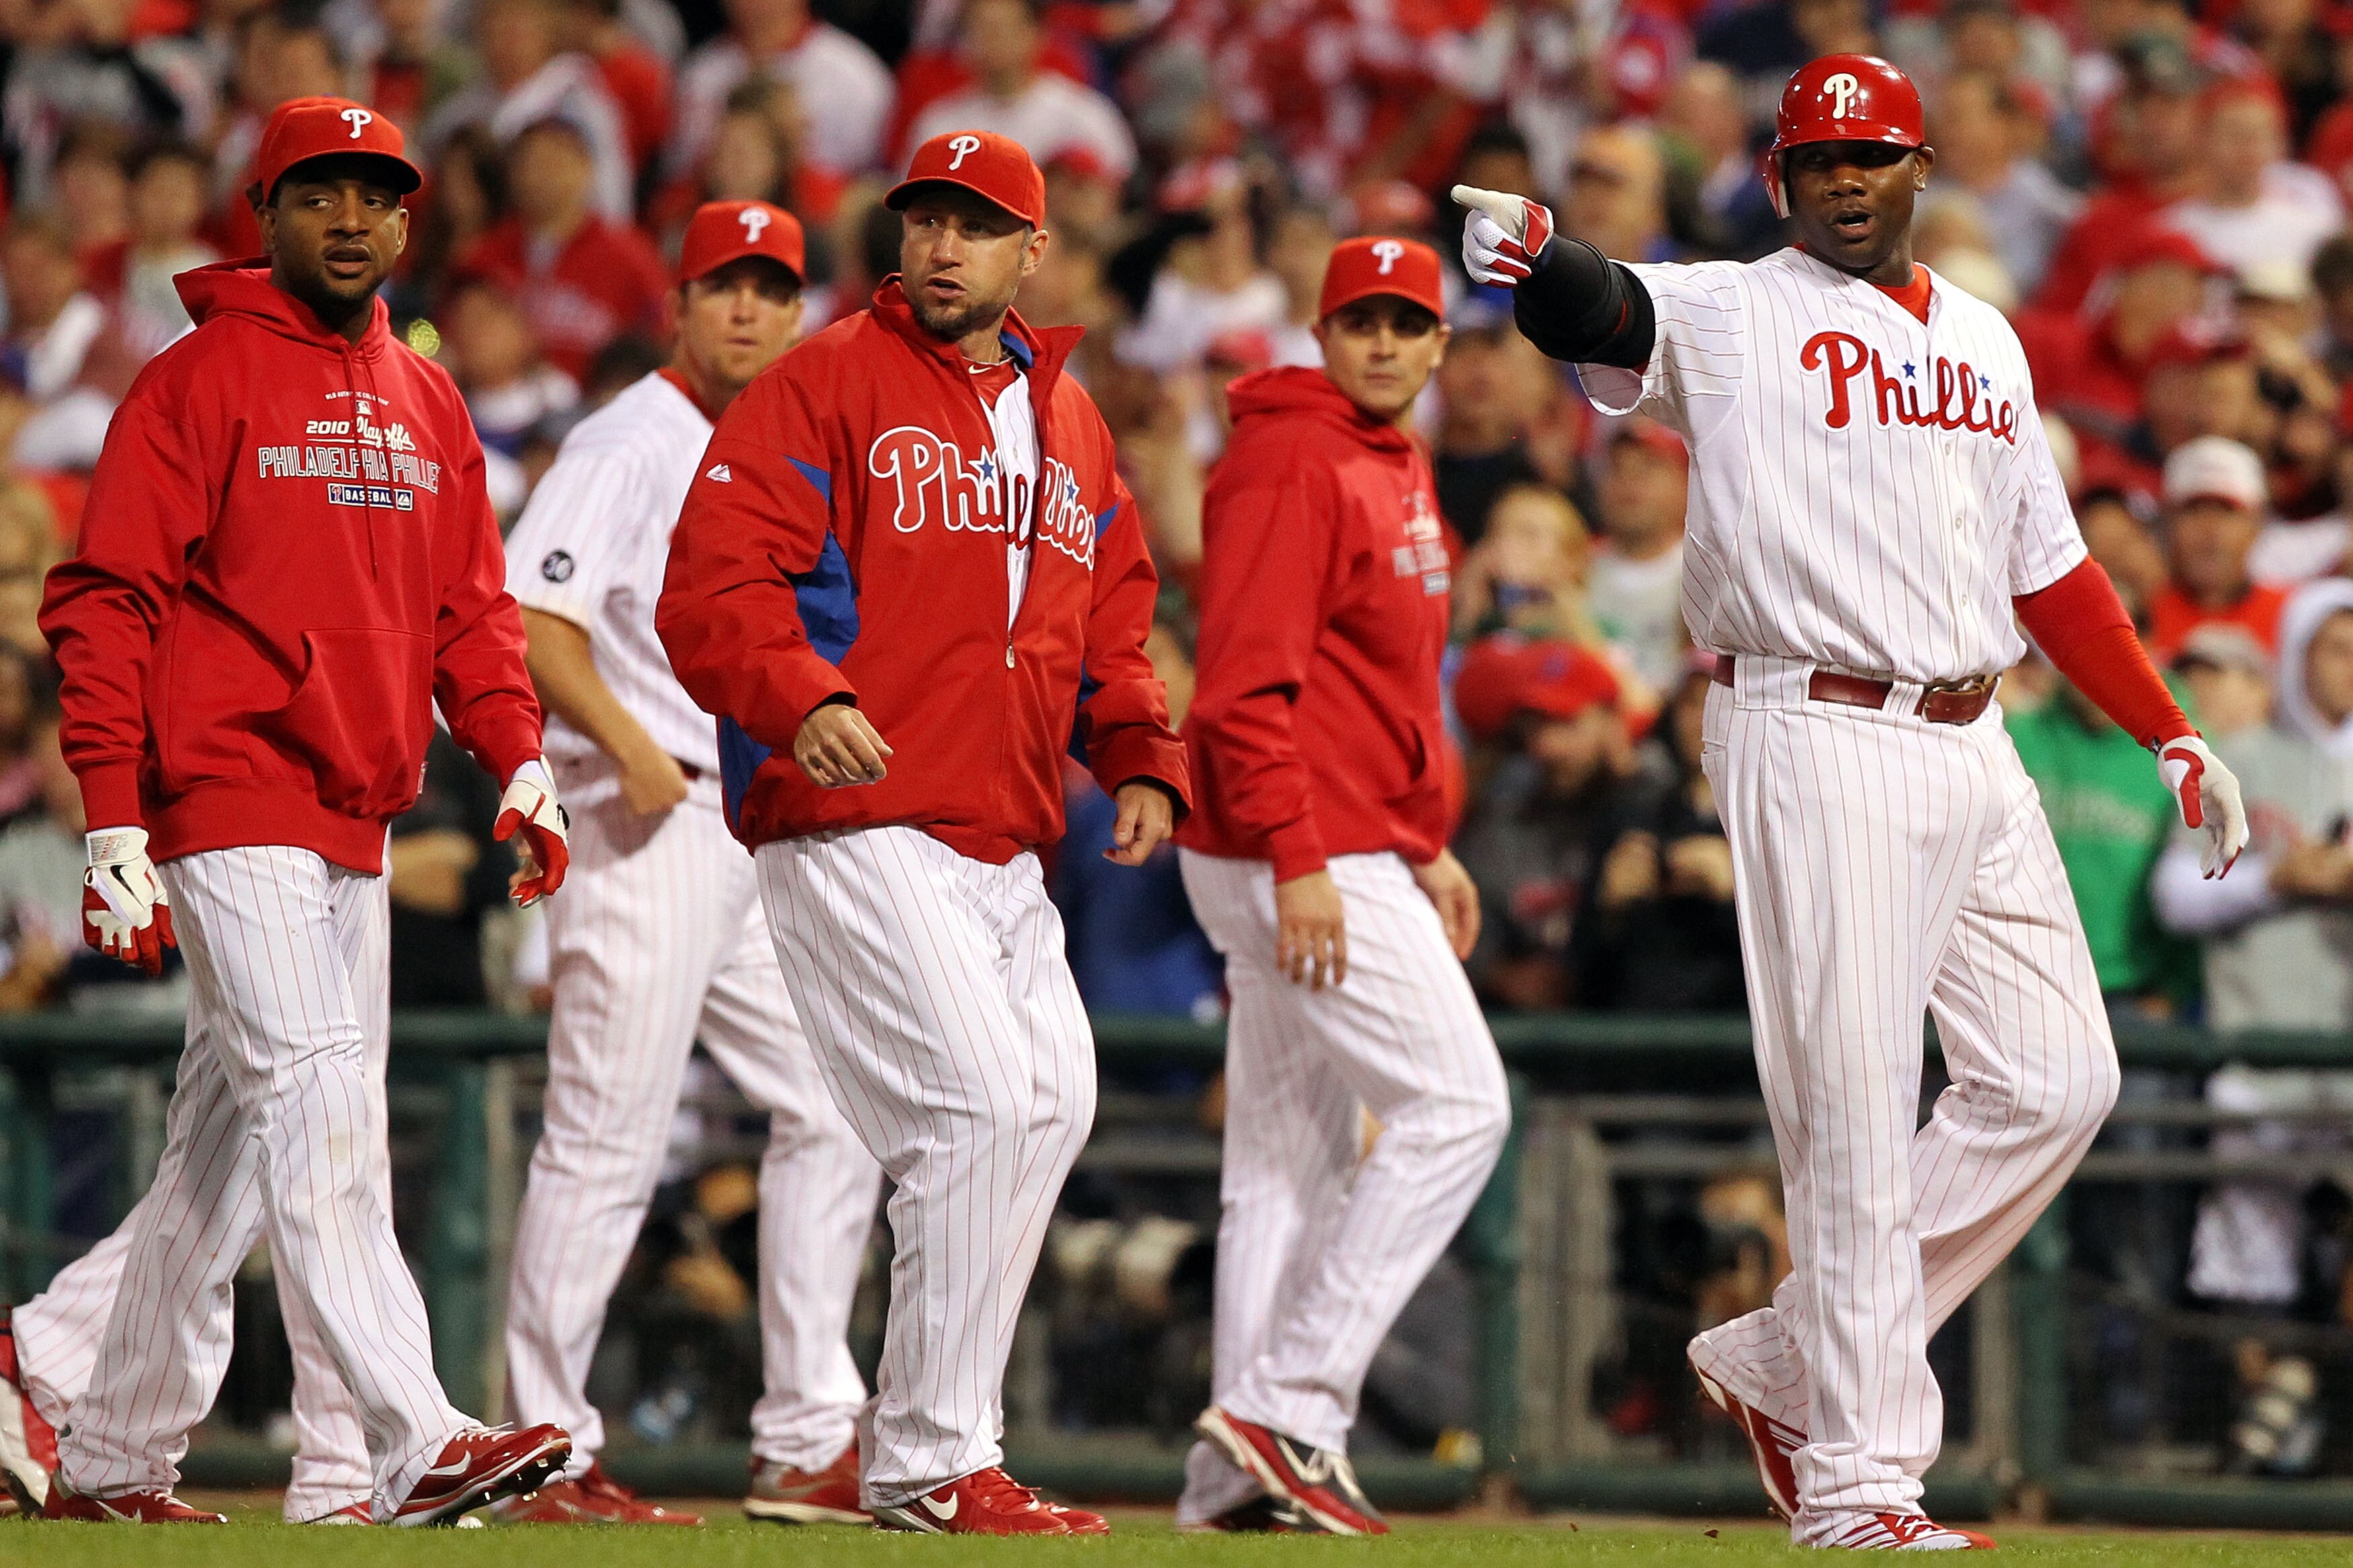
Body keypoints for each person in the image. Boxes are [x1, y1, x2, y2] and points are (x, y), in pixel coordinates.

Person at [1459, 52, 2249, 1548]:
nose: (1845, 177)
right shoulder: (1738, 311)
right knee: (1855, 1116)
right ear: (1777, 177)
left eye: (1872, 153)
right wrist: (1545, 260)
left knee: (2058, 1079)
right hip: (1815, 726)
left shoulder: (1988, 339)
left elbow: (2051, 573)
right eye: (1818, 157)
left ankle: (1786, 1357)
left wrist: (2167, 728)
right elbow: (1609, 312)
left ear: (1918, 167)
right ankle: (1861, 1482)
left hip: (1974, 733)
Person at [20, 96, 575, 1526]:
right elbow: (105, 601)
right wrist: (113, 817)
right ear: (263, 212)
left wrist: (517, 753)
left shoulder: (429, 395)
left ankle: (109, 1449)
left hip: (358, 812)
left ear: (406, 220)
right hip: (228, 788)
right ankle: (415, 1433)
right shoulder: (196, 378)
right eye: (319, 192)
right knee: (325, 1093)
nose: (350, 218)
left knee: (221, 1156)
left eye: (376, 195)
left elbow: (473, 610)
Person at [657, 130, 1189, 1535]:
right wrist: (802, 693)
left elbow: (1112, 619)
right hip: (855, 810)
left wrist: (1138, 753)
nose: (946, 245)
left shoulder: (1071, 424)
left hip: (1005, 832)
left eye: (978, 223)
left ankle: (938, 1443)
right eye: (927, 218)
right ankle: (930, 1457)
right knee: (976, 1110)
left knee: (1052, 1103)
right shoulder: (822, 380)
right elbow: (713, 588)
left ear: (1034, 252)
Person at [493, 200, 881, 1528]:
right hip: (644, 813)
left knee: (837, 1102)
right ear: (680, 304)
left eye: (772, 290)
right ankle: (544, 1444)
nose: (749, 311)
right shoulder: (628, 440)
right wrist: (622, 743)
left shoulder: (779, 443)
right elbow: (527, 618)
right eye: (726, 286)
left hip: (747, 828)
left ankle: (807, 1433)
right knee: (606, 1137)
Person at [1172, 237, 1509, 1537]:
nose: (1381, 341)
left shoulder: (1387, 453)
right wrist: (1300, 856)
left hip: (1335, 839)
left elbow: (1379, 686)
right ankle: (1293, 1403)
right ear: (1319, 333)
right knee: (1459, 1107)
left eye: (1405, 323)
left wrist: (1421, 836)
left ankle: (1231, 1476)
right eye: (1359, 320)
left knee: (1286, 1163)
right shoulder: (1294, 458)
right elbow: (1239, 689)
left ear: (1439, 346)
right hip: (1293, 844)